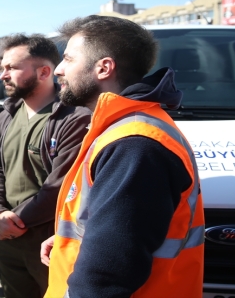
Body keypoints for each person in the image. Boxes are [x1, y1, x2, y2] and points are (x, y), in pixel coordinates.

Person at [40, 15, 205, 298]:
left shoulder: (135, 144)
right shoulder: (123, 127)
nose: (58, 70)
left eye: (68, 59)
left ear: (103, 68)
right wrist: (77, 239)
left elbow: (106, 275)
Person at [0, 34, 90, 298]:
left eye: (12, 68)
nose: (3, 74)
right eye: (2, 67)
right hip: (6, 236)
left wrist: (13, 221)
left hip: (48, 240)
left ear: (44, 71)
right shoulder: (8, 113)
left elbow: (60, 186)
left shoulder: (74, 118)